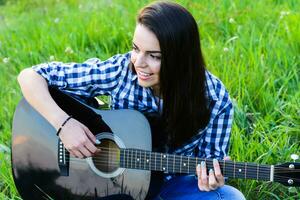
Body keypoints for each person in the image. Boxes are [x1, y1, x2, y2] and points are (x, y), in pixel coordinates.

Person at [18, 1, 245, 199]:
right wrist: (64, 124)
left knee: (230, 197)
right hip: (111, 186)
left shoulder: (214, 98)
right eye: (136, 48)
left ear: (181, 59)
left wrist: (211, 178)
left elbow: (211, 162)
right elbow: (30, 76)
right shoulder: (122, 71)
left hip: (173, 184)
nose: (138, 62)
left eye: (154, 56)